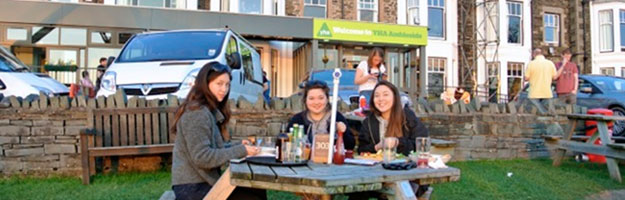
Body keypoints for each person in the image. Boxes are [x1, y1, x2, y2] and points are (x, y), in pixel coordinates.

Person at [170, 62, 266, 200]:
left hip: (201, 183)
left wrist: (239, 145)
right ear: (205, 84)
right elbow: (203, 158)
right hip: (191, 188)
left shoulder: (206, 111)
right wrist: (242, 151)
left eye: (227, 85)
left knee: (256, 190)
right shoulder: (196, 114)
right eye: (219, 84)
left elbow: (214, 148)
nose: (224, 89)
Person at [351, 81, 429, 199]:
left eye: (386, 94)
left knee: (402, 191)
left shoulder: (407, 116)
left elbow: (419, 143)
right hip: (376, 174)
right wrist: (377, 147)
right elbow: (362, 149)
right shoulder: (369, 121)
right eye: (377, 95)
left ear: (394, 97)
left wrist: (398, 142)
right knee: (357, 191)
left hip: (407, 173)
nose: (381, 99)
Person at [287, 80, 355, 150]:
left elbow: (350, 146)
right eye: (311, 98)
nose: (316, 102)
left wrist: (342, 133)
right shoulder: (298, 120)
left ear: (327, 99)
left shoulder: (336, 117)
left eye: (321, 98)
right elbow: (286, 145)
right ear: (305, 100)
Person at [525, 48, 557, 115]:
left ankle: (543, 112)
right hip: (547, 91)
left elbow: (526, 78)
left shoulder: (531, 64)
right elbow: (555, 77)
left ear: (534, 55)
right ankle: (551, 117)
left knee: (534, 104)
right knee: (550, 110)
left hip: (535, 91)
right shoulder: (550, 63)